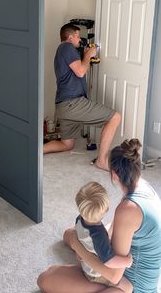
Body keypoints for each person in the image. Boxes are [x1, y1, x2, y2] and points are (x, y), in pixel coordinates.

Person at [38, 139, 161, 293]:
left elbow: (114, 275)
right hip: (120, 259)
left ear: (114, 175)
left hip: (128, 282)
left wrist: (79, 248)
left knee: (45, 278)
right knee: (69, 234)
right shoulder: (140, 185)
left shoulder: (128, 209)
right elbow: (115, 230)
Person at [43, 23, 121, 171]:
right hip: (73, 103)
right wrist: (88, 55)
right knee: (115, 117)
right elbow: (80, 72)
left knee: (67, 145)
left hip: (62, 105)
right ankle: (101, 161)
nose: (79, 40)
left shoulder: (63, 52)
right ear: (70, 37)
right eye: (78, 36)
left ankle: (37, 151)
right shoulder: (67, 47)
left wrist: (84, 56)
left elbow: (77, 69)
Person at [74, 181, 133, 292]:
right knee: (128, 287)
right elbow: (109, 261)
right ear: (106, 210)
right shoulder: (98, 235)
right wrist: (127, 261)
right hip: (97, 275)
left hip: (87, 265)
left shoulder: (79, 219)